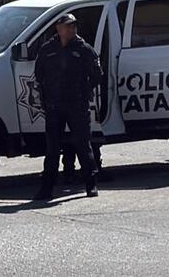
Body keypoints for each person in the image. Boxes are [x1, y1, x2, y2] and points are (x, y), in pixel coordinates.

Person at [33, 13, 103, 201]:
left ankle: (91, 184)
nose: (71, 29)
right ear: (59, 28)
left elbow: (97, 75)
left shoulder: (84, 49)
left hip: (76, 106)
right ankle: (46, 188)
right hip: (54, 106)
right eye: (67, 26)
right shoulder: (48, 49)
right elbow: (39, 74)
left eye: (74, 26)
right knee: (52, 149)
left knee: (82, 145)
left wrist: (83, 91)